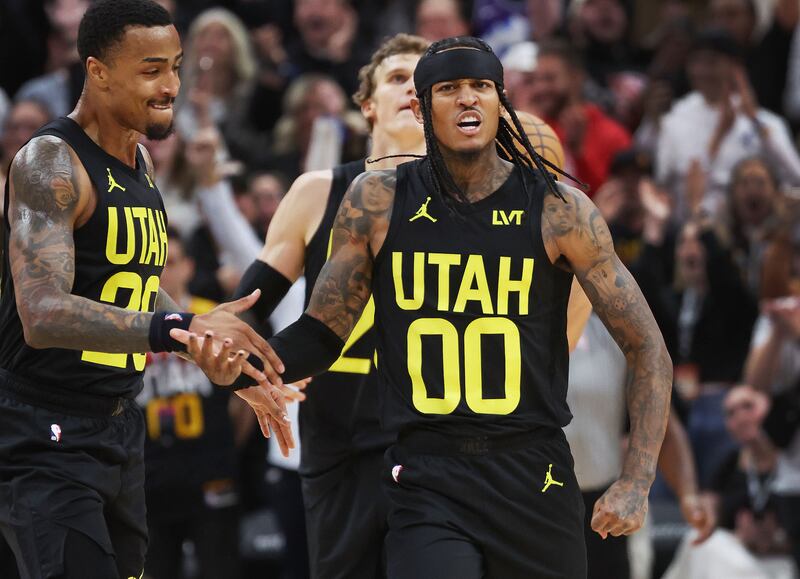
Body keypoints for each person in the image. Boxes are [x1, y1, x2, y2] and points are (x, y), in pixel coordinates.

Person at [184, 36, 674, 578]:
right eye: (449, 89)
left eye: (481, 87)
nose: (468, 99)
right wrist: (249, 367)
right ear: (421, 108)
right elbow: (322, 334)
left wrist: (637, 479)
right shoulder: (376, 200)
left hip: (533, 468)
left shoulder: (560, 210)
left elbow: (646, 344)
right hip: (425, 471)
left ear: (500, 102)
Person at [0, 2, 289, 578]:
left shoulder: (138, 161)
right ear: (98, 71)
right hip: (42, 430)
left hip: (120, 428)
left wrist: (214, 352)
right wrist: (178, 329)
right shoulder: (51, 162)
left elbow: (135, 291)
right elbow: (42, 311)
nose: (172, 87)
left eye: (177, 67)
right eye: (152, 69)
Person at [199, 33, 430, 579]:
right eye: (399, 78)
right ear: (368, 104)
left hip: (435, 436)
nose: (414, 90)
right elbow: (252, 305)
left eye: (428, 82)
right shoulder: (318, 191)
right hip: (339, 436)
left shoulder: (471, 199)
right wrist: (240, 361)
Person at [136, 229, 243, 579]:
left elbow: (243, 395)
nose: (164, 272)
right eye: (158, 264)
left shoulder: (210, 318)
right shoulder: (128, 326)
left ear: (189, 267)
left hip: (208, 474)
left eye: (172, 262)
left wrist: (231, 447)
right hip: (151, 479)